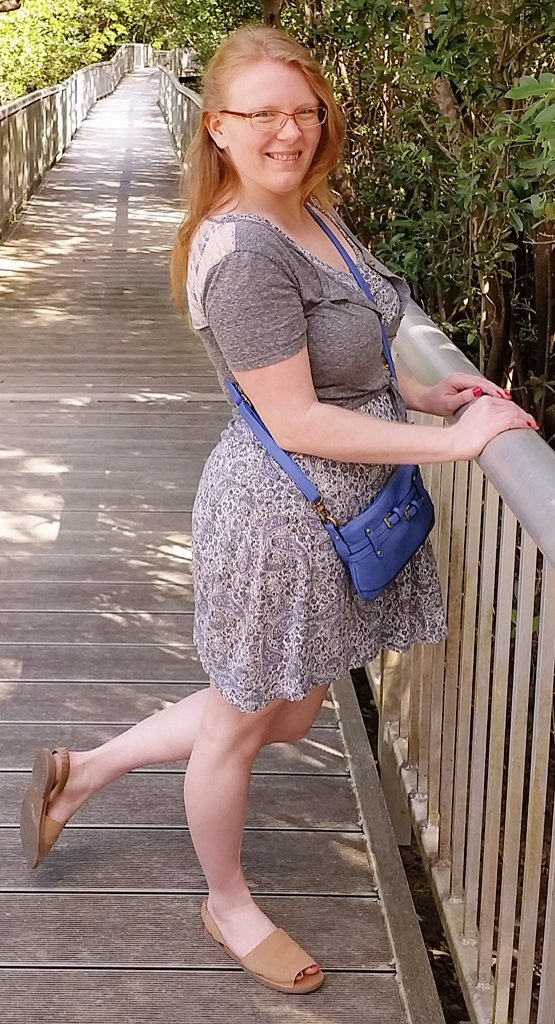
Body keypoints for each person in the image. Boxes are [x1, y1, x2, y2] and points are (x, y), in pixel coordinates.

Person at [20, 23, 536, 997]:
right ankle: (228, 904)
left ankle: (82, 771)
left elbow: (349, 358)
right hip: (279, 526)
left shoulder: (310, 212)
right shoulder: (243, 252)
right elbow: (294, 417)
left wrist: (425, 395)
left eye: (305, 111)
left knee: (286, 711)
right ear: (216, 126)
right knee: (242, 718)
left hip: (329, 521)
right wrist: (457, 444)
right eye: (262, 113)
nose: (289, 131)